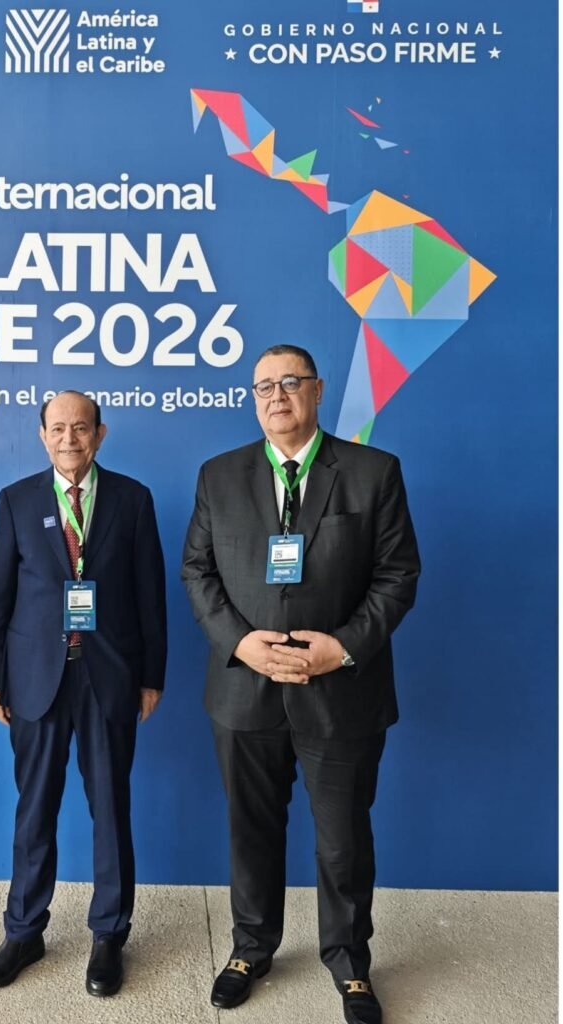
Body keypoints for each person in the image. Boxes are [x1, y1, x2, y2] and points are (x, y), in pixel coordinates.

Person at [182, 345, 420, 1024]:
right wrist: (241, 643)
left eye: (290, 382)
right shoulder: (219, 474)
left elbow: (397, 574)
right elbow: (198, 571)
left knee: (342, 839)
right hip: (243, 689)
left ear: (316, 391)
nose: (276, 395)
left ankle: (348, 962)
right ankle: (250, 949)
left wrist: (340, 649)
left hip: (341, 689)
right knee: (250, 830)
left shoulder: (373, 472)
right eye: (263, 386)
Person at [0, 390, 167, 998]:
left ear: (99, 434)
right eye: (58, 428)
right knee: (34, 809)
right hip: (35, 679)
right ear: (42, 436)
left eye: (80, 428)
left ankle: (109, 934)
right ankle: (23, 931)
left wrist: (152, 676)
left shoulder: (133, 499)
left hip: (109, 676)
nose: (69, 439)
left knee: (110, 808)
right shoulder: (16, 500)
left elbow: (150, 595)